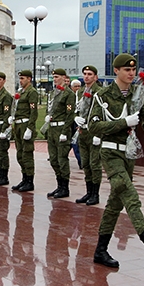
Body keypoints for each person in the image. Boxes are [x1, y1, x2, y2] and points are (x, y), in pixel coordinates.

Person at [88, 53, 144, 269]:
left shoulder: (137, 92)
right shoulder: (104, 94)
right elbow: (94, 126)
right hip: (110, 153)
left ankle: (100, 250)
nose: (131, 73)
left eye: (133, 70)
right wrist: (122, 122)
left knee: (115, 203)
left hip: (129, 154)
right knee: (131, 196)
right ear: (116, 71)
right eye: (126, 70)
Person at [74, 65, 103, 205]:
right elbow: (77, 109)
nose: (86, 76)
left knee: (94, 164)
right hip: (83, 132)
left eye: (90, 74)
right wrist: (76, 118)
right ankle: (88, 192)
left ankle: (95, 194)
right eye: (85, 74)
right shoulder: (80, 92)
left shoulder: (100, 92)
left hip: (94, 133)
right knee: (85, 163)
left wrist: (99, 133)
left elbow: (103, 113)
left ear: (95, 77)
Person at [45, 68, 76, 198]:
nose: (55, 79)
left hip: (61, 128)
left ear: (64, 78)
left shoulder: (68, 94)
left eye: (57, 77)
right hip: (52, 129)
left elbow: (70, 114)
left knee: (62, 159)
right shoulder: (54, 93)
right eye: (54, 77)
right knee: (53, 159)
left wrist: (64, 132)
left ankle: (65, 187)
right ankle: (59, 185)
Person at [11, 70, 39, 192]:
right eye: (20, 78)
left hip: (25, 125)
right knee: (20, 154)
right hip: (18, 125)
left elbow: (34, 112)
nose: (20, 80)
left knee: (27, 154)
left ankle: (30, 181)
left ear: (29, 79)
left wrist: (30, 128)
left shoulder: (31, 92)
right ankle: (24, 178)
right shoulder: (20, 92)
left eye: (23, 78)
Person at [70, 78, 82, 169]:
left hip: (78, 122)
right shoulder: (70, 96)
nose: (77, 88)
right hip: (70, 122)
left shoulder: (82, 96)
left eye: (79, 86)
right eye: (75, 86)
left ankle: (81, 161)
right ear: (71, 87)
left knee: (76, 143)